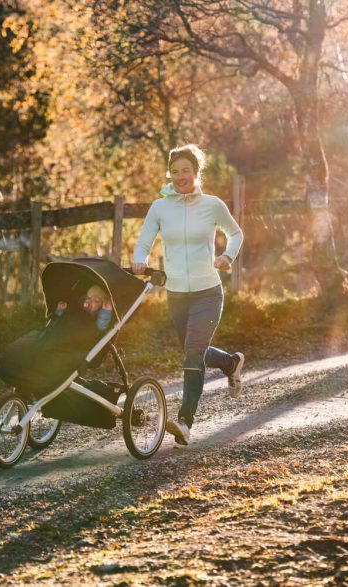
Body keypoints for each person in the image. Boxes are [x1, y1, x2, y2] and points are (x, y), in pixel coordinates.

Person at [132, 144, 244, 446]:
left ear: (196, 172)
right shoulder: (160, 207)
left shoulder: (212, 205)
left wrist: (227, 256)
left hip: (208, 291)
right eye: (175, 170)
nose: (181, 176)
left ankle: (185, 422)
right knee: (193, 351)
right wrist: (139, 259)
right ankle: (231, 363)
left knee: (193, 353)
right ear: (170, 173)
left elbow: (236, 233)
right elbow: (143, 241)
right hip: (177, 293)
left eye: (186, 170)